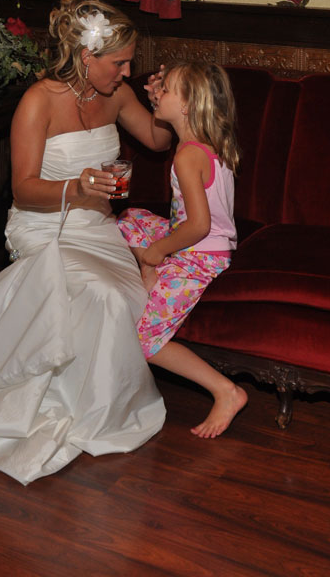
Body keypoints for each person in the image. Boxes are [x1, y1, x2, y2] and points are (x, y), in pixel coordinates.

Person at [0, 0, 172, 484]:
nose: (127, 71)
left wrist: (165, 106)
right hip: (44, 224)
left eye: (130, 62)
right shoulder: (38, 102)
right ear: (86, 56)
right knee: (101, 293)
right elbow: (24, 188)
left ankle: (101, 404)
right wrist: (78, 185)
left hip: (96, 226)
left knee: (128, 295)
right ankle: (68, 406)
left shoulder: (116, 94)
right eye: (118, 62)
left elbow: (157, 141)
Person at [118, 61, 248, 439]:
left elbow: (198, 226)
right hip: (199, 243)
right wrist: (161, 98)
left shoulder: (187, 156)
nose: (159, 94)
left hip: (200, 255)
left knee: (143, 342)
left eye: (168, 90)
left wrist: (157, 251)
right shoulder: (201, 143)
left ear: (188, 106)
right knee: (129, 218)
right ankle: (148, 272)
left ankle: (226, 391)